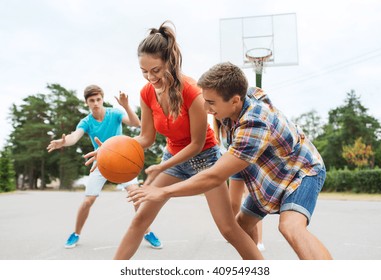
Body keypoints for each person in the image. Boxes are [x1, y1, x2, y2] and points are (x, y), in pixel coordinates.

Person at [85, 21, 263, 260]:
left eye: (156, 70)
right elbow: (146, 137)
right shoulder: (146, 92)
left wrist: (162, 166)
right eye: (144, 71)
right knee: (139, 220)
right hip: (172, 159)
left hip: (205, 160)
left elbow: (196, 144)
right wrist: (109, 150)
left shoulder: (193, 91)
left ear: (170, 61)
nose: (150, 77)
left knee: (228, 229)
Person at [129, 62, 333, 260]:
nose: (206, 108)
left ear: (235, 100)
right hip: (267, 176)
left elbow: (214, 176)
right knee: (241, 226)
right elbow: (256, 94)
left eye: (211, 103)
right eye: (205, 100)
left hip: (300, 171)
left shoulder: (253, 125)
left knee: (290, 226)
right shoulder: (240, 98)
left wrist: (163, 191)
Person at [47, 85, 162, 249]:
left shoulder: (114, 113)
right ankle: (76, 233)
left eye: (98, 99)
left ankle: (147, 232)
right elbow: (74, 137)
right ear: (87, 102)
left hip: (122, 159)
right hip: (100, 162)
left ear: (102, 99)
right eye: (91, 100)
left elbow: (136, 123)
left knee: (136, 195)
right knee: (88, 201)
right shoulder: (86, 121)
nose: (95, 103)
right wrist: (63, 142)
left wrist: (126, 106)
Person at [213, 118, 265, 252]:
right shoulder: (218, 125)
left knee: (252, 204)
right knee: (233, 204)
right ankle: (240, 232)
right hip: (234, 166)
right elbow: (220, 148)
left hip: (250, 164)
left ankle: (259, 241)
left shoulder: (238, 120)